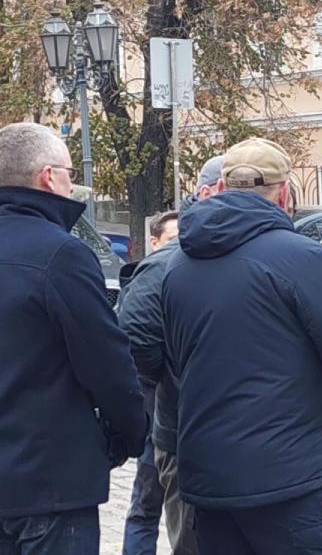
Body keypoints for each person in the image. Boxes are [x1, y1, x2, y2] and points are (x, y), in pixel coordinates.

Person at [162, 137, 322, 554]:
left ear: (222, 188)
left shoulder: (177, 265)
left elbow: (176, 363)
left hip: (210, 482)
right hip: (292, 484)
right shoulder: (302, 258)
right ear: (285, 193)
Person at [0, 122, 148, 553]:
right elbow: (106, 361)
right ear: (49, 177)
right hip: (49, 480)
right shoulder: (60, 253)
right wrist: (128, 434)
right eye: (71, 175)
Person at [120, 156, 225, 555]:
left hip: (238, 435)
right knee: (159, 515)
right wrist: (176, 378)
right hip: (178, 427)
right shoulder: (166, 265)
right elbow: (133, 342)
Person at [121, 210, 179, 555]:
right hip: (154, 413)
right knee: (145, 506)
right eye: (172, 241)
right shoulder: (145, 284)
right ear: (153, 243)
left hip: (177, 417)